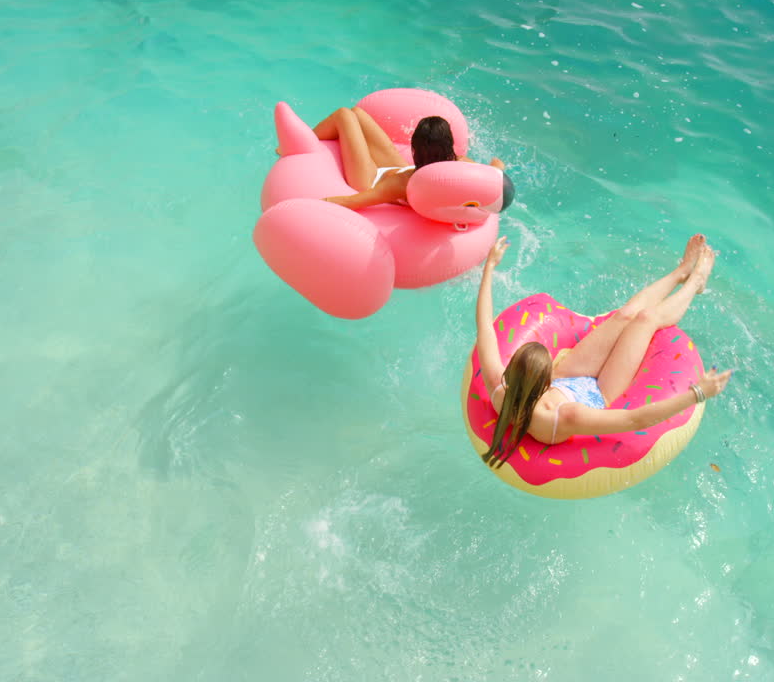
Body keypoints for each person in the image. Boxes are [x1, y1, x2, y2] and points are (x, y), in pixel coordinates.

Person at [475, 234, 733, 468]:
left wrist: (490, 267)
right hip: (600, 391)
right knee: (645, 320)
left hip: (565, 378)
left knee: (625, 315)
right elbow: (636, 420)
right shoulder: (562, 417)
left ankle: (682, 271)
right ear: (543, 382)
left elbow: (485, 326)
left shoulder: (499, 387)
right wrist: (698, 393)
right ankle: (695, 283)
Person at [309, 107, 506, 210]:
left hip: (370, 180)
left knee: (344, 115)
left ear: (415, 148)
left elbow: (350, 202)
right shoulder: (461, 164)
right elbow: (496, 170)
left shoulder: (405, 184)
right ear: (449, 144)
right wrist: (496, 168)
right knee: (357, 113)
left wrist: (309, 202)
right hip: (398, 168)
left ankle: (300, 143)